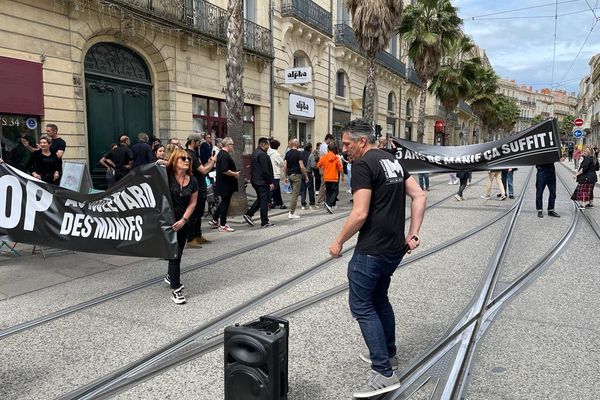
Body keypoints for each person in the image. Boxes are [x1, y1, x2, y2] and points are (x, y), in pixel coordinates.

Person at [328, 119, 426, 398]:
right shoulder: (390, 160)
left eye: (346, 144)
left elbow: (359, 214)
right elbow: (419, 195)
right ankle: (389, 354)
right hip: (394, 248)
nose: (344, 149)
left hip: (371, 249)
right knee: (379, 300)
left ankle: (383, 372)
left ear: (361, 142)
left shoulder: (363, 165)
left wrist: (338, 242)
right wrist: (414, 234)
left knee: (361, 306)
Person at [164, 148, 198, 305]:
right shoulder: (166, 176)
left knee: (178, 253)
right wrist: (158, 163)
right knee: (175, 254)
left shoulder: (193, 180)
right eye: (182, 158)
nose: (186, 161)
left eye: (188, 159)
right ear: (175, 161)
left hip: (183, 222)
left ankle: (171, 275)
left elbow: (193, 203)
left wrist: (184, 219)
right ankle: (176, 289)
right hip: (167, 223)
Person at [186, 133, 216, 247]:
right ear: (193, 142)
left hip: (200, 186)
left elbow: (202, 169)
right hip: (195, 187)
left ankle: (198, 235)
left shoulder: (194, 154)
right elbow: (203, 171)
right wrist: (212, 162)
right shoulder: (190, 155)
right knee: (194, 214)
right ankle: (190, 238)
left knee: (199, 213)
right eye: (198, 142)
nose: (199, 145)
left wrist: (208, 162)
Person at [243, 137, 275, 228]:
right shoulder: (262, 155)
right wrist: (270, 182)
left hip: (256, 180)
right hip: (262, 182)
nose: (268, 147)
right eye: (267, 145)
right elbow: (265, 171)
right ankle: (264, 221)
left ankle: (249, 214)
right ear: (262, 144)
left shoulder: (255, 153)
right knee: (264, 201)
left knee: (261, 199)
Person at [209, 137, 239, 232]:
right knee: (225, 204)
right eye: (232, 144)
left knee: (223, 203)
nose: (233, 146)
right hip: (226, 184)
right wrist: (235, 174)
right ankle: (222, 224)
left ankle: (215, 220)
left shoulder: (221, 154)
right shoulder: (224, 155)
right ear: (228, 145)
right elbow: (225, 170)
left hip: (224, 183)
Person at [283, 138, 308, 219]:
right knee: (295, 194)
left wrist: (285, 176)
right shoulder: (299, 153)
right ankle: (291, 212)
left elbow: (285, 166)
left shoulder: (287, 153)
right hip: (297, 175)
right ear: (296, 144)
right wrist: (306, 176)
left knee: (294, 194)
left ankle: (291, 211)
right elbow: (302, 166)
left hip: (290, 175)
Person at [317, 142, 343, 214]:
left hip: (326, 177)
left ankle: (328, 205)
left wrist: (323, 169)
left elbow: (318, 165)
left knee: (328, 191)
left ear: (328, 149)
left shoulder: (324, 157)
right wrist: (343, 176)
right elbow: (340, 168)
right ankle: (329, 204)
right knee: (335, 191)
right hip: (334, 177)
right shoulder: (336, 158)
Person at [267, 139, 286, 209]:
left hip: (269, 173)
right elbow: (281, 164)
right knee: (273, 190)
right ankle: (266, 202)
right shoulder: (276, 154)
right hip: (275, 174)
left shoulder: (267, 152)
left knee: (277, 190)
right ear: (277, 147)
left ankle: (279, 203)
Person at [300, 143, 316, 209]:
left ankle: (303, 204)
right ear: (310, 148)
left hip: (301, 173)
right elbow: (313, 165)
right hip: (308, 173)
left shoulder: (300, 154)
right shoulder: (311, 155)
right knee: (310, 189)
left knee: (303, 189)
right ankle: (311, 203)